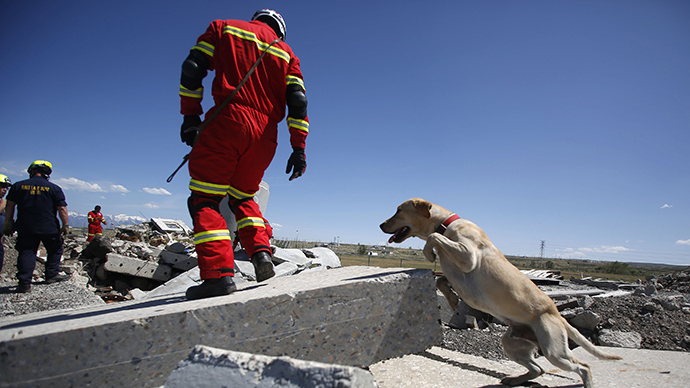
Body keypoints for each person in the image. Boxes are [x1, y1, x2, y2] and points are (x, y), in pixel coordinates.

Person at [179, 9, 309, 300]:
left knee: (205, 198)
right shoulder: (287, 54)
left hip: (228, 120)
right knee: (243, 197)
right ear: (280, 31)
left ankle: (217, 277)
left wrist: (190, 117)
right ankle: (261, 254)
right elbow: (298, 102)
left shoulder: (223, 28)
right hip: (266, 136)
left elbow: (192, 68)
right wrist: (298, 148)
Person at [2, 161, 71, 293]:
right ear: (47, 173)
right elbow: (61, 208)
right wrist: (65, 225)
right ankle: (51, 274)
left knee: (27, 252)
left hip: (25, 226)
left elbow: (10, 205)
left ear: (31, 171)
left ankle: (24, 282)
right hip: (48, 226)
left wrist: (8, 222)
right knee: (55, 248)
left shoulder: (18, 186)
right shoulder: (54, 188)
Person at [0, 174, 11, 272]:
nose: (4, 190)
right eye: (2, 186)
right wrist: (2, 205)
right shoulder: (2, 203)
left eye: (6, 187)